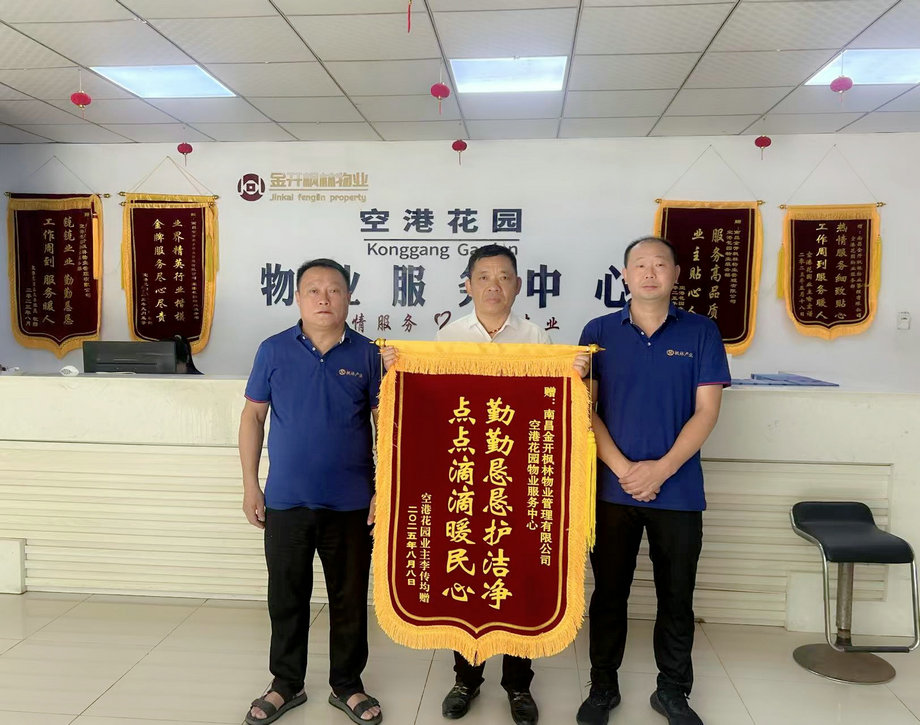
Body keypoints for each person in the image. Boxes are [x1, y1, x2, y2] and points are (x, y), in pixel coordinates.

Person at [383, 244, 588, 725]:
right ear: (469, 285)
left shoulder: (537, 339)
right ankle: (465, 679)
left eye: (503, 277)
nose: (493, 285)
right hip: (463, 476)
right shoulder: (446, 338)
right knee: (465, 572)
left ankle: (518, 685)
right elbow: (429, 410)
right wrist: (399, 369)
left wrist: (576, 376)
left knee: (518, 574)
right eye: (483, 277)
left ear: (517, 285)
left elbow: (555, 406)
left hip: (516, 478)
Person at [575, 237, 730, 725]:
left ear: (676, 274)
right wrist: (624, 470)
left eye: (659, 264)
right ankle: (603, 687)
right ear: (624, 275)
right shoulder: (598, 332)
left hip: (678, 490)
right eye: (639, 264)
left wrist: (660, 470)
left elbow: (707, 412)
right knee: (609, 594)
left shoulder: (702, 332)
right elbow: (585, 410)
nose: (649, 272)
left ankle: (673, 691)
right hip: (610, 489)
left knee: (676, 596)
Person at [240, 258, 383, 725]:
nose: (324, 298)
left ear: (348, 298)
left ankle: (348, 684)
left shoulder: (369, 354)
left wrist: (385, 488)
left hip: (352, 503)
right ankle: (286, 683)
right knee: (286, 597)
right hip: (286, 500)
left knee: (349, 598)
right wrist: (250, 485)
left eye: (334, 289)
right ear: (298, 298)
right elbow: (253, 416)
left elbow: (388, 424)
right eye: (314, 290)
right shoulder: (273, 350)